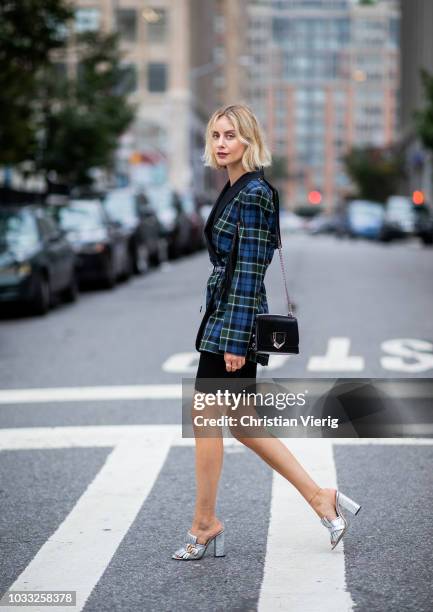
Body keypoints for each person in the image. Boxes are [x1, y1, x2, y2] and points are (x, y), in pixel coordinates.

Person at [172, 104, 361, 561]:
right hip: (223, 318)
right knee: (243, 426)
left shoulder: (255, 192)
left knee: (207, 421)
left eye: (230, 136)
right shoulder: (234, 186)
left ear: (249, 141)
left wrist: (236, 341)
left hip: (232, 324)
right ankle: (322, 499)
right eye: (215, 135)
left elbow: (250, 268)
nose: (220, 143)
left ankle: (204, 524)